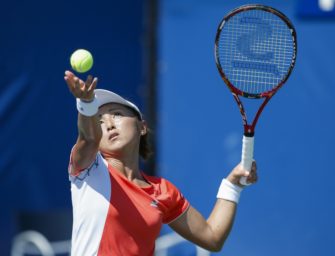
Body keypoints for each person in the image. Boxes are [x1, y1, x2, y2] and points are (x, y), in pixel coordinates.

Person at [64, 70, 258, 256]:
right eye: (99, 121)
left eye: (117, 114)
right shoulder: (89, 169)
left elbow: (212, 237)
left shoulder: (163, 191)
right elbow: (88, 138)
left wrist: (233, 185)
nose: (109, 124)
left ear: (142, 127)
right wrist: (87, 104)